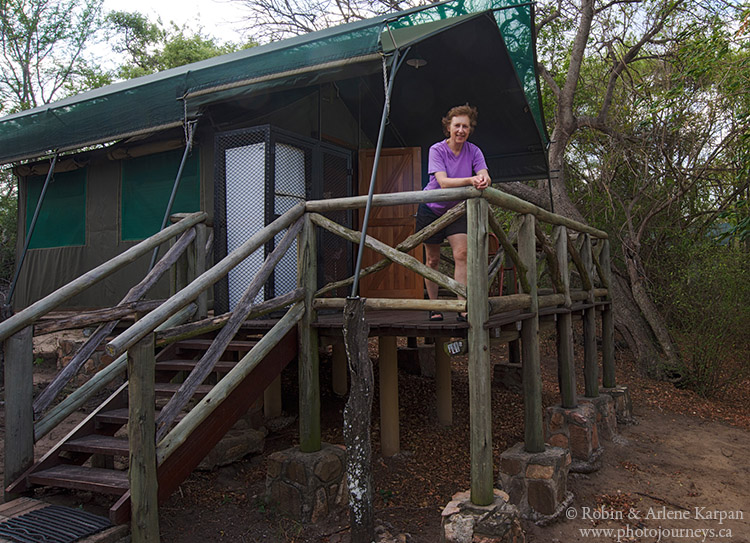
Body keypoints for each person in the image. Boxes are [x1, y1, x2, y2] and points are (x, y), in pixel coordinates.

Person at [415, 104, 491, 321]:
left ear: (470, 129)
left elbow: (485, 173)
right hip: (431, 209)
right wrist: (471, 180)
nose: (461, 130)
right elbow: (443, 182)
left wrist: (484, 178)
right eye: (457, 125)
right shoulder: (437, 150)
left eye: (465, 127)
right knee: (432, 259)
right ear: (448, 127)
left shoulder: (474, 151)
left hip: (457, 210)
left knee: (462, 254)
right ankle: (434, 306)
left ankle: (462, 307)